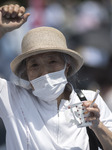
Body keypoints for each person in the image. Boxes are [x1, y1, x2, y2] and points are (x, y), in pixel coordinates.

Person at [0, 4, 112, 150]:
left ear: (67, 66)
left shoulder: (90, 100)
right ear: (26, 74)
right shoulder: (12, 99)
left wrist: (97, 126)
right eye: (34, 65)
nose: (44, 72)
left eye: (52, 61)